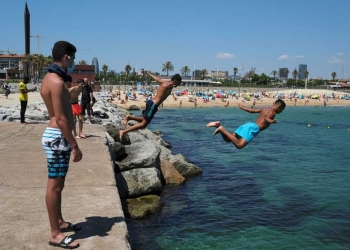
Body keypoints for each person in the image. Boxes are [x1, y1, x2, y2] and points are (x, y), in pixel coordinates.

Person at [40, 41, 82, 249]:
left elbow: (62, 106)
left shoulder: (50, 78)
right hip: (58, 138)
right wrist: (74, 145)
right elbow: (61, 118)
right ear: (66, 56)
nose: (73, 63)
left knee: (59, 184)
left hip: (56, 137)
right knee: (54, 187)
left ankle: (59, 222)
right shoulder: (56, 81)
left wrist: (71, 94)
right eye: (73, 59)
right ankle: (55, 234)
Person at [119, 72, 182, 141]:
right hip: (153, 105)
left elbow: (158, 80)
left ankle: (129, 117)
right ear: (175, 81)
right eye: (179, 83)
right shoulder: (168, 85)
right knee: (144, 124)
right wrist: (172, 84)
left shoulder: (167, 83)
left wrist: (150, 75)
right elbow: (164, 83)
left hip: (152, 104)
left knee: (144, 119)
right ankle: (123, 132)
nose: (178, 85)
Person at [207, 99, 286, 149]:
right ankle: (222, 129)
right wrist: (271, 121)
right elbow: (266, 118)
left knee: (229, 139)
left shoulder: (265, 108)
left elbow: (251, 110)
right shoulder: (273, 112)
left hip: (248, 125)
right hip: (254, 129)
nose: (281, 112)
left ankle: (218, 126)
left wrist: (242, 107)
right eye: (282, 110)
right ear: (279, 108)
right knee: (239, 145)